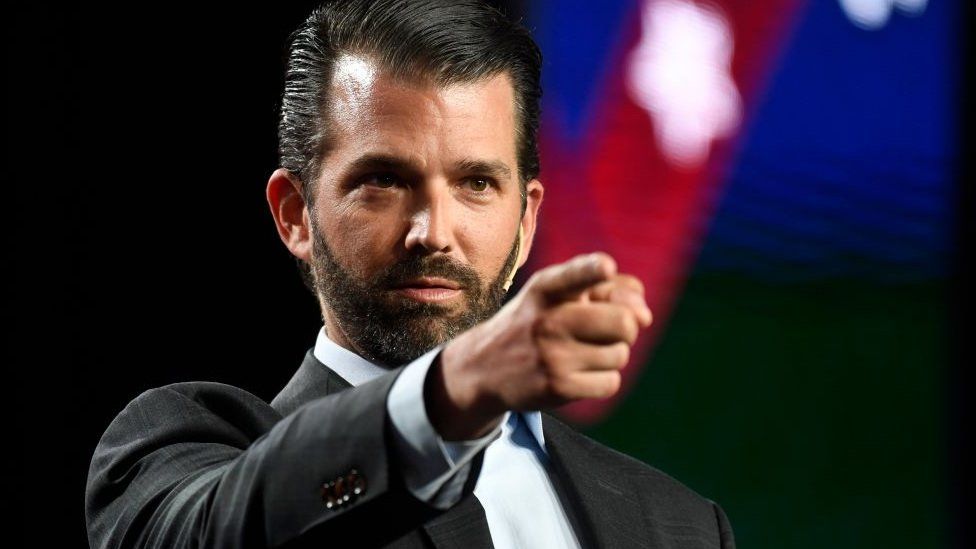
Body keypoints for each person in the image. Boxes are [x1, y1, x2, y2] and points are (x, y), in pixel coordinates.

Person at [85, 1, 735, 547]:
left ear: (527, 220)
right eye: (384, 181)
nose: (433, 231)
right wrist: (460, 385)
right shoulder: (176, 457)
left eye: (477, 182)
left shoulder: (681, 524)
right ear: (295, 216)